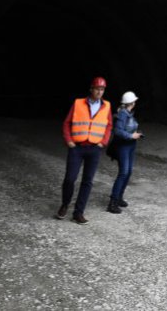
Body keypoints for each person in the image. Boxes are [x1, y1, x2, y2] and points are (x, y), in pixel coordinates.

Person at [56, 77, 113, 224]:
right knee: (70, 178)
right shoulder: (78, 103)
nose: (100, 92)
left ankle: (78, 212)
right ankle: (65, 204)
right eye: (97, 89)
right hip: (77, 147)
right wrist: (69, 140)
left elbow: (109, 125)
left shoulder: (106, 106)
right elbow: (67, 123)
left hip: (94, 148)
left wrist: (104, 142)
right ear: (91, 89)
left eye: (102, 89)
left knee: (87, 181)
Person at [107, 91, 142, 213]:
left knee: (128, 172)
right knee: (123, 173)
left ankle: (119, 197)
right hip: (123, 147)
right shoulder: (122, 114)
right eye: (134, 101)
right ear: (132, 102)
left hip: (130, 146)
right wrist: (131, 136)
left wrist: (136, 135)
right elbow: (117, 131)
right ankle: (112, 202)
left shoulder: (129, 113)